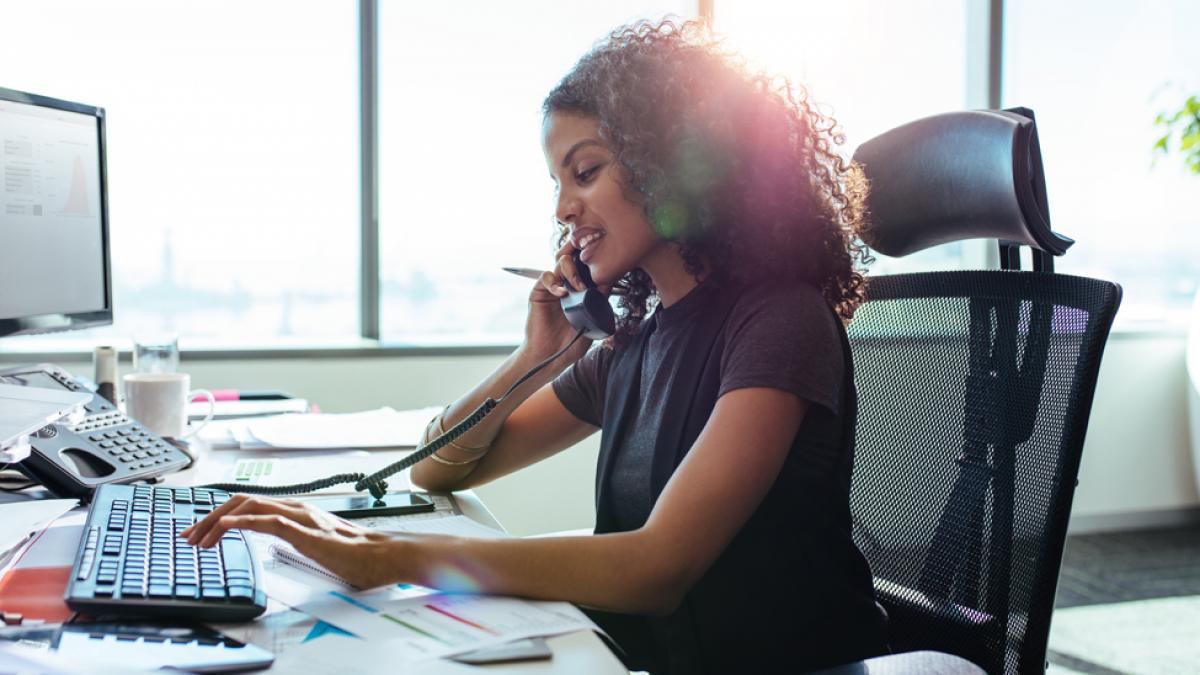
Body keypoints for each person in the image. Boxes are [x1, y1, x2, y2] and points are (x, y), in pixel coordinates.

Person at [183, 18, 888, 673]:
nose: (562, 210)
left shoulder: (780, 322)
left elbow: (657, 569)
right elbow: (441, 472)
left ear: (671, 163)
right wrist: (536, 358)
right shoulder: (633, 345)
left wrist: (386, 555)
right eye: (558, 183)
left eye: (585, 172)